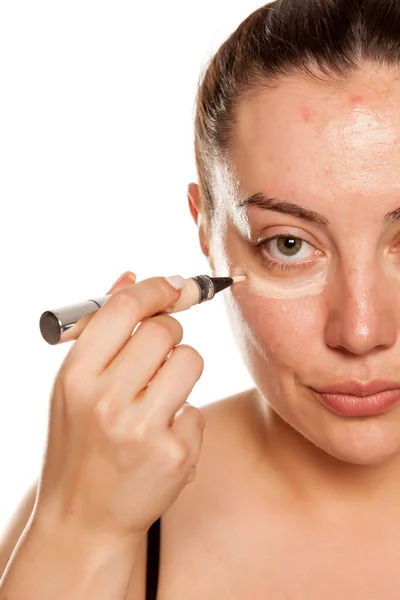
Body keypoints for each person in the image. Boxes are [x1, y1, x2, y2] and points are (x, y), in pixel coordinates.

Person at [2, 0, 400, 597]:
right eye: (289, 244)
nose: (362, 330)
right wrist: (80, 532)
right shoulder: (113, 499)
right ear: (204, 228)